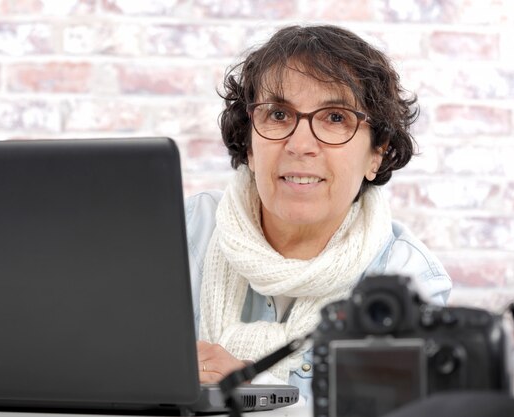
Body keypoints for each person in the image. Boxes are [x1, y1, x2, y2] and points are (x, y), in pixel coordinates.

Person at [184, 24, 452, 401]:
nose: (300, 144)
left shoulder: (409, 282)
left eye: (336, 117)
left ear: (376, 153)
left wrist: (251, 395)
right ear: (248, 143)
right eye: (278, 114)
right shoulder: (184, 231)